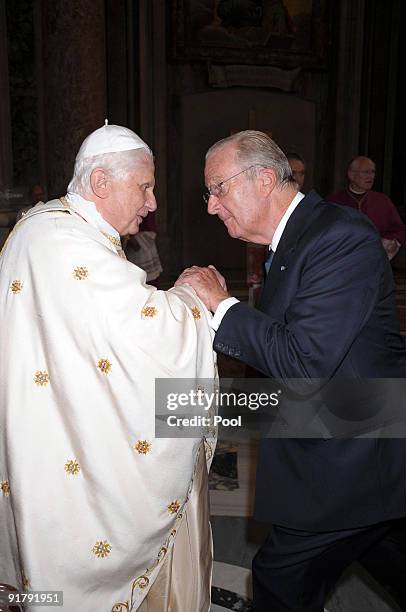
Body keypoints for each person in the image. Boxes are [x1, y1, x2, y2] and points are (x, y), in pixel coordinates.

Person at [176, 130, 406, 611]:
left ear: (263, 179)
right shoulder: (296, 241)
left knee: (280, 582)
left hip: (356, 455)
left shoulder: (338, 237)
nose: (212, 206)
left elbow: (303, 363)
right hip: (356, 446)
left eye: (218, 189)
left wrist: (223, 305)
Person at [0, 124, 216, 611]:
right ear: (101, 182)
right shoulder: (65, 243)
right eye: (143, 186)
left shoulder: (48, 225)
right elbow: (144, 333)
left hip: (50, 420)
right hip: (62, 448)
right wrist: (192, 296)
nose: (153, 201)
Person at [328, 155, 406, 260]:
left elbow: (398, 229)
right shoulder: (334, 202)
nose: (371, 177)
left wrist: (393, 242)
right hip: (343, 262)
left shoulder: (383, 201)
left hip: (376, 261)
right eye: (366, 172)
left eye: (373, 172)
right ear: (351, 175)